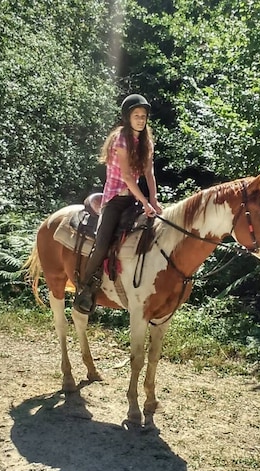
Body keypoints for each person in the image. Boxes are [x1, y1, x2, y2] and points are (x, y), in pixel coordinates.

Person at [73, 94, 163, 315]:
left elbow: (149, 173)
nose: (141, 119)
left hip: (133, 199)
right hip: (114, 200)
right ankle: (84, 288)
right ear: (127, 117)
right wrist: (145, 201)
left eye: (143, 116)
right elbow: (127, 177)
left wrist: (153, 199)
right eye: (136, 115)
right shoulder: (121, 139)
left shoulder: (146, 141)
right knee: (102, 243)